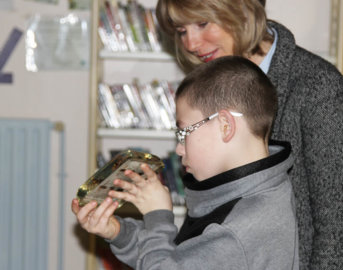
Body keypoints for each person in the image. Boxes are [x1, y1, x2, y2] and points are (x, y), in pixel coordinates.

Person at [155, 0, 343, 269]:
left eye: (203, 23)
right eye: (181, 31)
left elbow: (337, 232)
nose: (191, 43)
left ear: (241, 9)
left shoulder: (317, 87)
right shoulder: (210, 81)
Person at [72, 56, 299, 269]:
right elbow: (183, 257)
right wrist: (118, 232)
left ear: (225, 126)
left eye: (184, 132)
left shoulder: (237, 230)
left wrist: (158, 216)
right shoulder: (254, 190)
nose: (179, 149)